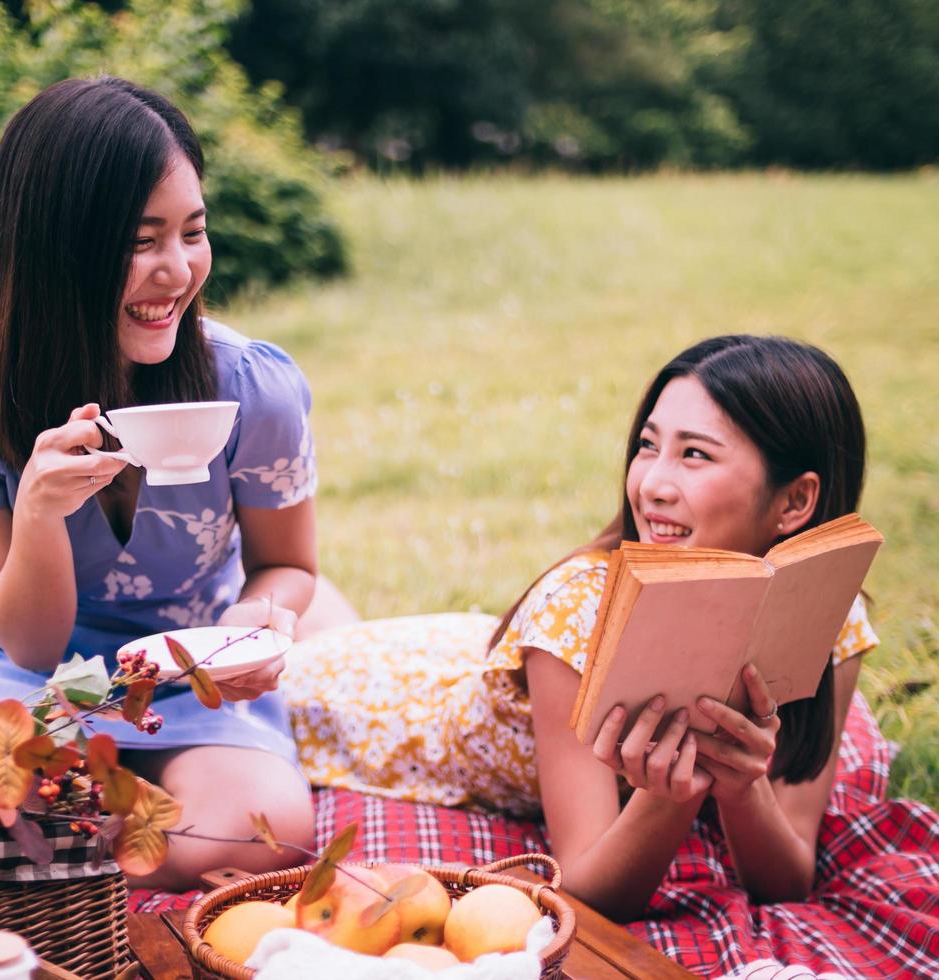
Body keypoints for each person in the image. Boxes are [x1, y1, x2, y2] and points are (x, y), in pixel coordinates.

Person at [0, 76, 355, 889]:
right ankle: (78, 832)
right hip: (28, 679)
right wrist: (38, 509)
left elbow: (291, 567)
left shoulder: (252, 388)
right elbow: (31, 644)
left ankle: (67, 851)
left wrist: (260, 621)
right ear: (52, 246)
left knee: (264, 831)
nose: (176, 271)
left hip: (191, 679)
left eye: (193, 232)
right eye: (141, 241)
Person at [282, 335, 878, 920]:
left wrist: (744, 788)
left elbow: (789, 879)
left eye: (694, 454)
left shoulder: (829, 615)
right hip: (392, 708)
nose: (651, 485)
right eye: (649, 446)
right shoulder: (575, 616)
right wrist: (679, 790)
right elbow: (588, 892)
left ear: (795, 502)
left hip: (473, 653)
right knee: (286, 673)